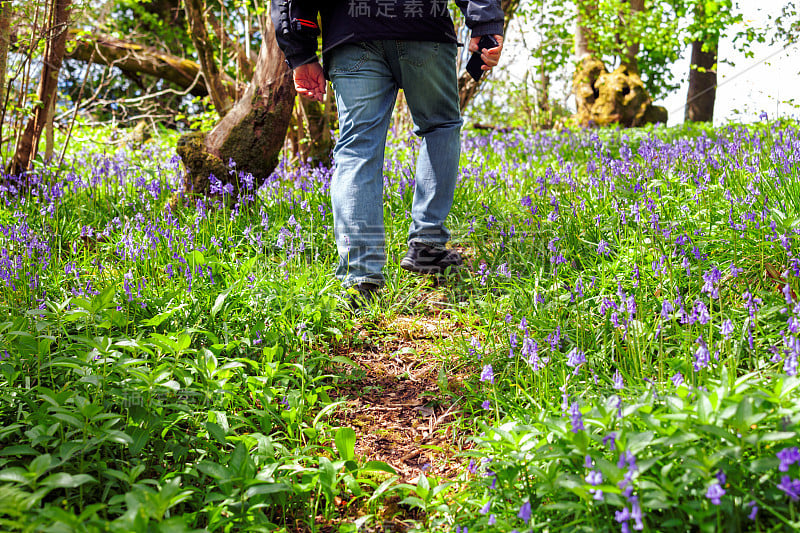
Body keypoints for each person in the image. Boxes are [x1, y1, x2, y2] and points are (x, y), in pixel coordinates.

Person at [271, 0, 504, 306]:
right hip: (423, 25)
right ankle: (428, 243)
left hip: (350, 33)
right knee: (440, 127)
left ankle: (360, 278)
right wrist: (484, 23)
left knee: (357, 149)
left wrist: (300, 50)